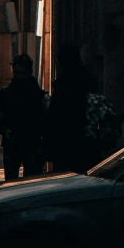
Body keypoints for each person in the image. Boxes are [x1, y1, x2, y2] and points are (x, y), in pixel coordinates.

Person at [0, 51, 48, 182]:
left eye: (23, 73)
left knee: (30, 182)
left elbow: (44, 120)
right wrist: (4, 130)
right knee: (12, 182)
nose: (20, 77)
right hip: (13, 143)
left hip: (31, 143)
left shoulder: (37, 95)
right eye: (18, 73)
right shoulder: (6, 93)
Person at [46, 43, 90, 173]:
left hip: (65, 146)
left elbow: (53, 119)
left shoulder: (62, 88)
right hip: (86, 145)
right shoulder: (88, 81)